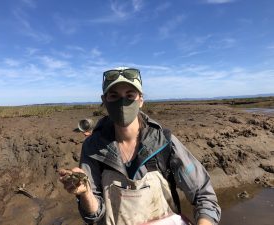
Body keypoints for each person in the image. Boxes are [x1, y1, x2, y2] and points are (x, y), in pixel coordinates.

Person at [59, 67, 221, 225]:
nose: (123, 102)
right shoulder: (93, 147)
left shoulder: (164, 142)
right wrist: (86, 193)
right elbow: (94, 216)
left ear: (141, 100)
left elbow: (204, 196)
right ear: (104, 101)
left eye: (130, 95)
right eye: (114, 96)